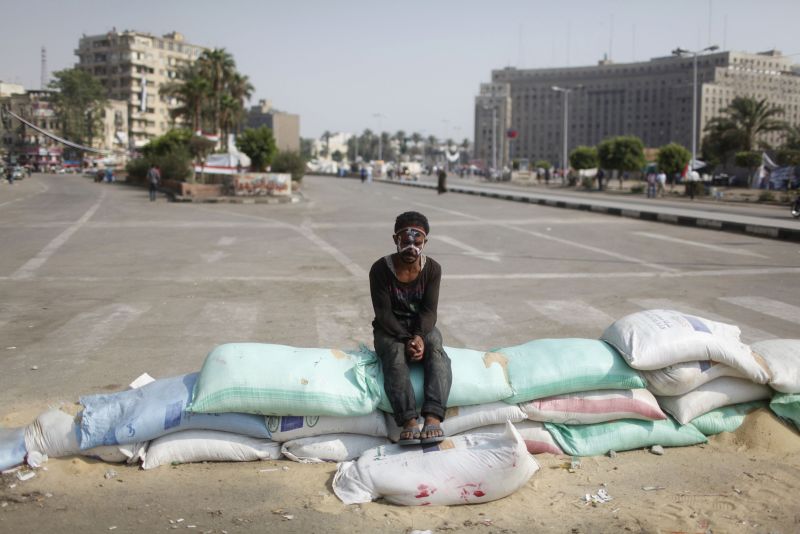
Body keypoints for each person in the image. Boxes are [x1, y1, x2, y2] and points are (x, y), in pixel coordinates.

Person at [370, 211, 451, 446]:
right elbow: (383, 313)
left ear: (425, 242)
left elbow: (429, 312)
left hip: (421, 328)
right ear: (395, 239)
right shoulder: (380, 269)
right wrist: (407, 340)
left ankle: (434, 417)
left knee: (436, 348)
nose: (411, 248)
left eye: (417, 243)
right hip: (390, 329)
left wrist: (419, 336)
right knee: (394, 355)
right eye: (406, 241)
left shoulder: (432, 269)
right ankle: (408, 422)